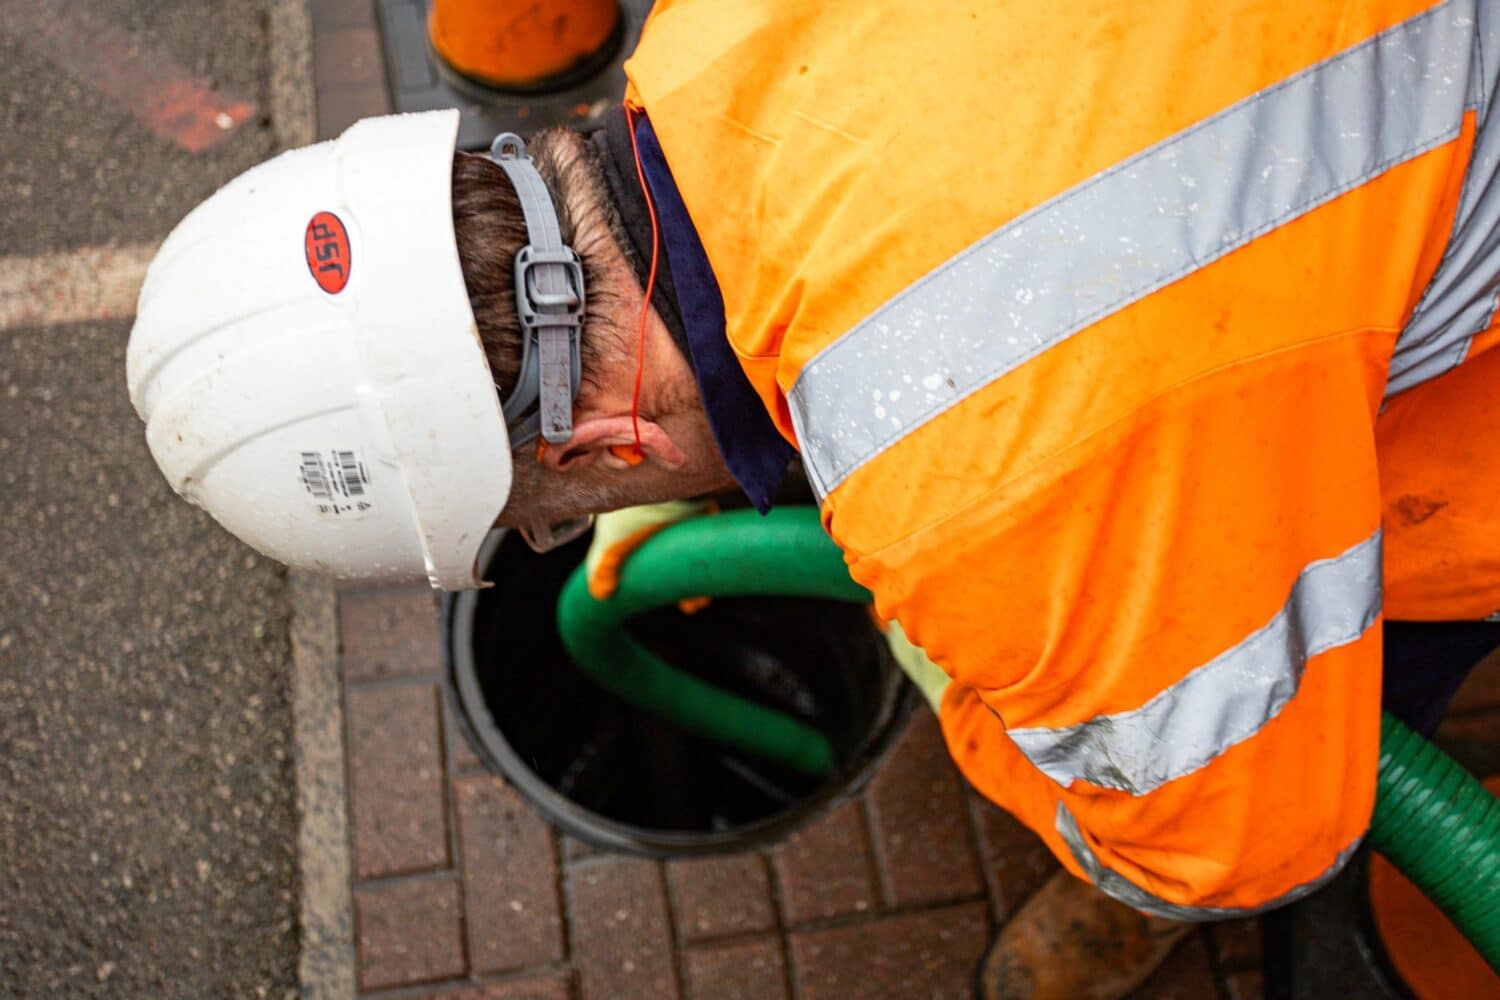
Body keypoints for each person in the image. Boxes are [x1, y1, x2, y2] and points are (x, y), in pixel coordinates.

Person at [128, 1, 1500, 995]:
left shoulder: (975, 495)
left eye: (546, 517)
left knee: (1316, 680)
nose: (565, 533)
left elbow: (1242, 843)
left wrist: (971, 694)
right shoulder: (720, 27)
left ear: (599, 451)